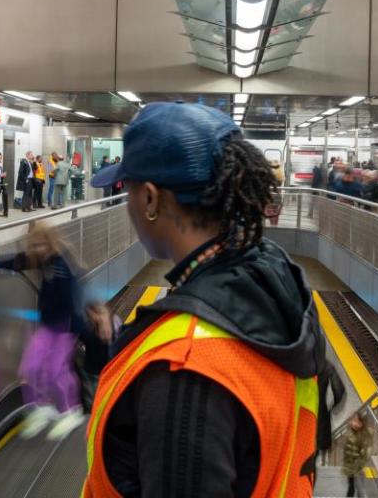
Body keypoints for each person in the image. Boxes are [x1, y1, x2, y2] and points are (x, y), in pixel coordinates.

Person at [84, 102, 326, 497]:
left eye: (125, 191)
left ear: (150, 200)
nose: (125, 203)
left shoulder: (186, 366)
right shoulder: (272, 283)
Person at [0, 225, 112, 440]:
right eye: (35, 245)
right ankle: (40, 407)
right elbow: (15, 261)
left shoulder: (63, 264)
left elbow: (78, 295)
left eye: (42, 244)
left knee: (55, 370)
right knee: (30, 367)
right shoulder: (41, 260)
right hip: (47, 325)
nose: (39, 249)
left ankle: (71, 410)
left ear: (51, 242)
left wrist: (96, 317)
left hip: (66, 328)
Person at [341, 413, 372, 497]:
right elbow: (346, 451)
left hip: (358, 468)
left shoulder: (364, 435)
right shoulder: (350, 433)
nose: (353, 423)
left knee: (360, 489)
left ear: (361, 423)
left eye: (356, 421)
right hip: (350, 468)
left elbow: (366, 453)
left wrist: (358, 465)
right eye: (352, 421)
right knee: (351, 488)